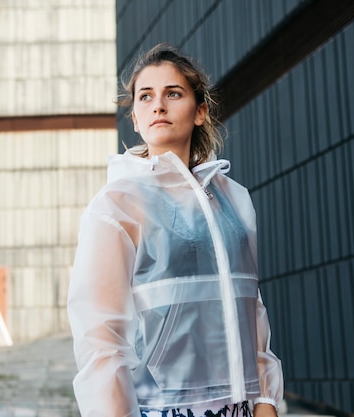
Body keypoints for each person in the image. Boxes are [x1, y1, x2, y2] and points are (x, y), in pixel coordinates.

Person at [67, 43, 283, 417]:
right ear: (134, 118)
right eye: (145, 96)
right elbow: (100, 337)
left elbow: (251, 307)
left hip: (242, 408)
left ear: (200, 111)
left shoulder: (235, 200)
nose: (158, 105)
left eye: (173, 93)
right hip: (163, 409)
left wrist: (267, 400)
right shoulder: (116, 204)